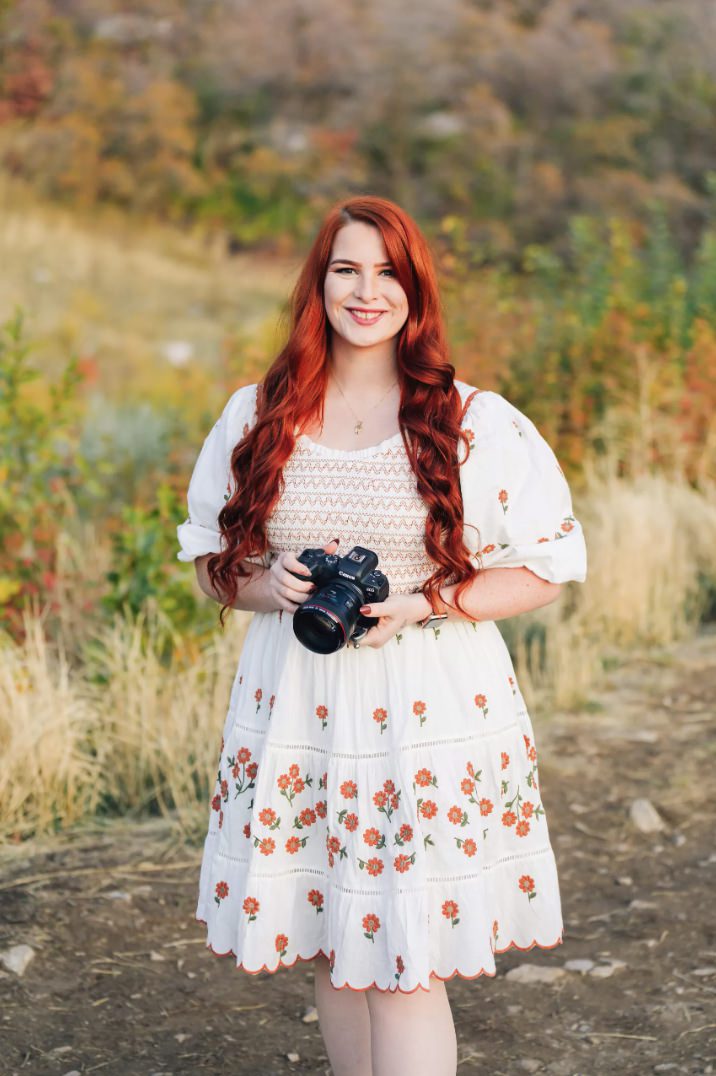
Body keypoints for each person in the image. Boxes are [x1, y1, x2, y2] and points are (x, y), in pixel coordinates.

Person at [176, 195, 587, 1076]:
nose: (368, 291)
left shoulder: (472, 420)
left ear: (416, 290)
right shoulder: (257, 414)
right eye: (347, 269)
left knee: (405, 962)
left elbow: (550, 567)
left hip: (423, 710)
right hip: (302, 708)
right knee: (333, 942)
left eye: (388, 272)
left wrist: (426, 604)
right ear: (317, 284)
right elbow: (211, 559)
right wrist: (268, 584)